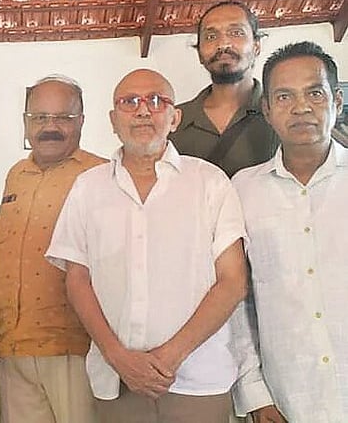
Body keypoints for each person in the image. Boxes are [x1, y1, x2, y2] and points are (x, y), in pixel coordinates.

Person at [47, 69, 248, 423]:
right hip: (117, 382)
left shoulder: (210, 182)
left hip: (197, 380)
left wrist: (170, 356)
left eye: (156, 101)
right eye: (129, 102)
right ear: (113, 120)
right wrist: (118, 357)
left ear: (175, 118)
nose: (143, 111)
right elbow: (77, 280)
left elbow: (232, 282)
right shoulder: (87, 188)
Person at [231, 42, 347, 422]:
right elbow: (238, 300)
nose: (300, 107)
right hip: (288, 396)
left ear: (338, 101)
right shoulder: (242, 190)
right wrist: (254, 394)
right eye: (284, 96)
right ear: (266, 110)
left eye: (315, 92)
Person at [0, 75, 105, 423]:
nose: (49, 127)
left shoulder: (100, 176)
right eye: (39, 118)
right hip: (13, 348)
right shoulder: (16, 176)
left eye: (62, 118)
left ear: (81, 121)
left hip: (75, 350)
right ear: (26, 122)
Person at [170, 0, 278, 177]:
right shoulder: (173, 121)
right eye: (211, 36)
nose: (223, 44)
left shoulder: (281, 114)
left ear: (256, 46)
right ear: (199, 53)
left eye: (236, 33)